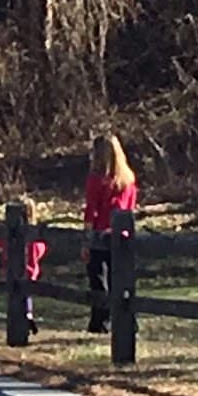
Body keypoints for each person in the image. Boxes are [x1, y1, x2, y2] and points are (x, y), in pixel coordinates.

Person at [81, 133, 138, 334]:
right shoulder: (128, 180)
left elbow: (91, 210)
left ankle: (101, 321)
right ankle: (127, 320)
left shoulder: (97, 180)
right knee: (121, 281)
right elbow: (130, 208)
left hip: (101, 236)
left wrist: (86, 240)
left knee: (98, 279)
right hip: (123, 236)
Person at [0, 200, 49, 335]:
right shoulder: (36, 237)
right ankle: (28, 316)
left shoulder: (13, 235)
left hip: (15, 271)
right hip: (31, 272)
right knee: (26, 295)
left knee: (16, 296)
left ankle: (22, 322)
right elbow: (41, 249)